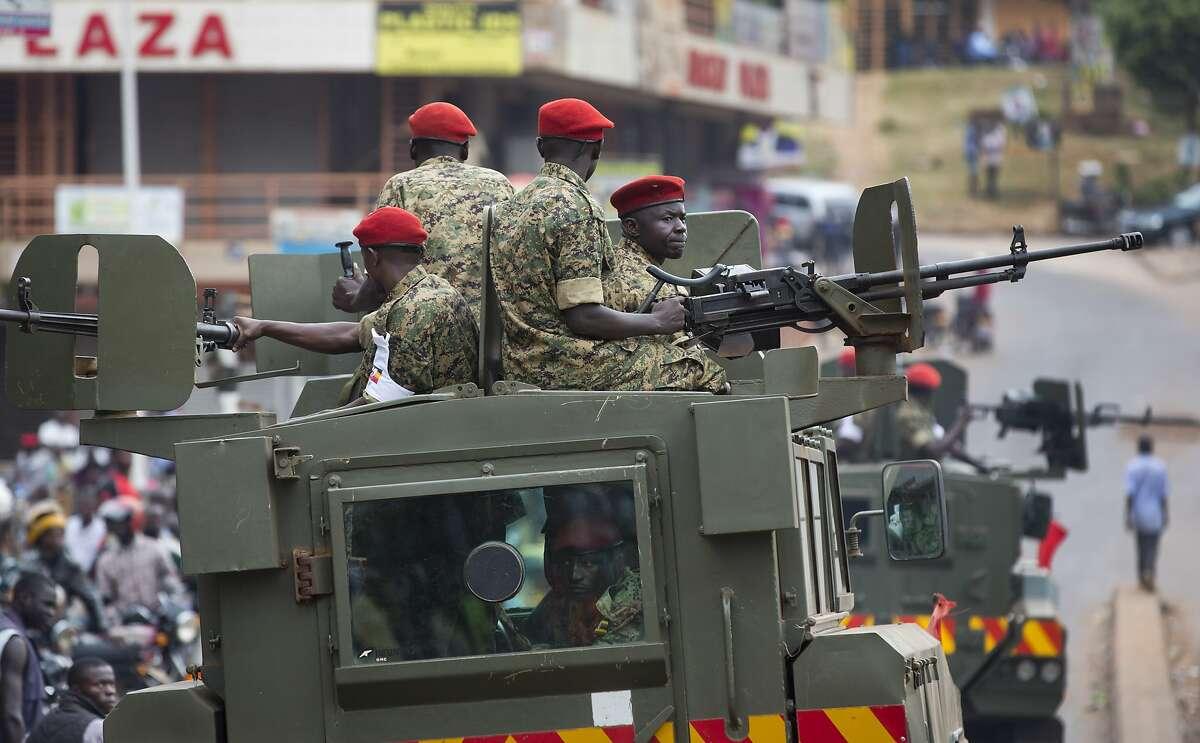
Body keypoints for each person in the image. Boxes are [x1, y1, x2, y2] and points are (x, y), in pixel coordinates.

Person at [489, 98, 727, 392]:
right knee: (700, 368)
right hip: (565, 363)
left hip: (520, 362)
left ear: (541, 147)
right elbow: (583, 317)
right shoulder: (577, 207)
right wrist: (657, 322)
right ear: (595, 149)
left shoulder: (510, 207)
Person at [232, 207, 478, 406]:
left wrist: (308, 427)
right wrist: (263, 326)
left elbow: (379, 406)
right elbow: (350, 334)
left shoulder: (410, 312)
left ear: (372, 256)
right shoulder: (434, 289)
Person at [334, 102, 514, 322]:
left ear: (413, 148)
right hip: (491, 332)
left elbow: (383, 271)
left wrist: (355, 298)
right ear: (465, 150)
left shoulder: (400, 186)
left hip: (424, 327)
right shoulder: (499, 183)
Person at [603, 175, 726, 375]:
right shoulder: (643, 283)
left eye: (682, 218)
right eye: (667, 219)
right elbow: (686, 356)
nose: (681, 227)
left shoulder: (627, 264)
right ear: (632, 227)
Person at [526, 485, 641, 647]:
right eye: (566, 561)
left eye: (588, 563)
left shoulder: (629, 596)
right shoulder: (561, 601)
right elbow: (529, 638)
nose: (574, 574)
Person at [21, 503, 106, 633]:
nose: (58, 538)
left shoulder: (70, 566)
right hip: (30, 628)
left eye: (60, 532)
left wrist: (102, 628)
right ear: (40, 537)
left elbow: (92, 598)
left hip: (61, 629)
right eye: (52, 534)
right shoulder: (27, 565)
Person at [94, 500, 181, 620]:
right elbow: (105, 597)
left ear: (130, 521)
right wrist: (112, 615)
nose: (118, 527)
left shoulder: (154, 548)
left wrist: (171, 603)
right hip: (125, 621)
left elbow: (171, 581)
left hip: (157, 616)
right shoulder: (106, 560)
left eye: (122, 522)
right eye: (113, 523)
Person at [0, 572, 58, 743]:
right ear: (25, 598)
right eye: (47, 604)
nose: (51, 612)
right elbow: (12, 716)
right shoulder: (14, 642)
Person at [27, 657, 115, 743]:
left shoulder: (47, 719)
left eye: (112, 684)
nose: (111, 691)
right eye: (100, 684)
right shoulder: (98, 728)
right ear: (77, 689)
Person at [893, 363, 970, 461]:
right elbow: (932, 450)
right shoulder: (908, 415)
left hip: (928, 469)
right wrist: (961, 423)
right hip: (914, 471)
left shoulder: (922, 411)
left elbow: (944, 443)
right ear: (924, 393)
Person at [1125, 435, 1168, 591]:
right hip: (1155, 513)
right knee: (1153, 547)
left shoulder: (1132, 466)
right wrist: (1166, 514)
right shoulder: (1160, 466)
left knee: (1140, 546)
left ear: (1138, 447)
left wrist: (1127, 516)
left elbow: (1129, 494)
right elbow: (1163, 495)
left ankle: (1142, 577)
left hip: (1138, 513)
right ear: (1152, 448)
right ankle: (1150, 572)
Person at [63, 488, 106, 575]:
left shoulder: (102, 527)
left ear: (94, 505)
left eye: (88, 504)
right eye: (82, 504)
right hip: (71, 574)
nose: (85, 508)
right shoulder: (70, 524)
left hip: (93, 575)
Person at [981, 122, 1006, 199]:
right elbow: (983, 145)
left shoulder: (1000, 130)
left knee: (994, 176)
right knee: (989, 176)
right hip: (989, 157)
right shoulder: (986, 130)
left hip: (996, 157)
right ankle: (990, 192)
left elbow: (1002, 144)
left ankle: (992, 192)